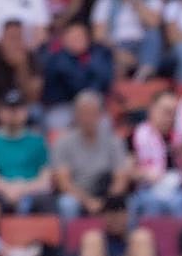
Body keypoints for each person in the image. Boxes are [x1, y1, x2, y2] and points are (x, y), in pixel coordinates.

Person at [51, 90, 132, 221]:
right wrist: (88, 201)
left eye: (92, 114)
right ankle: (69, 239)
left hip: (106, 192)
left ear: (100, 115)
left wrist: (106, 202)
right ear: (76, 115)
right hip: (77, 193)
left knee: (128, 204)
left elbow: (120, 178)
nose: (88, 119)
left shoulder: (113, 141)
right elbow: (63, 182)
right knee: (67, 204)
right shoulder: (63, 142)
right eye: (83, 114)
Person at [89, 0, 164, 81]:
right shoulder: (105, 1)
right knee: (103, 56)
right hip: (116, 45)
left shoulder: (152, 0)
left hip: (143, 46)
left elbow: (154, 23)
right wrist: (117, 53)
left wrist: (136, 1)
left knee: (153, 33)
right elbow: (99, 36)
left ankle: (145, 73)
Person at [129, 89, 182, 219]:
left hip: (176, 190)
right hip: (147, 189)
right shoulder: (136, 135)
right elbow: (127, 171)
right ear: (152, 110)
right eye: (166, 112)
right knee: (152, 203)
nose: (170, 117)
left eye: (174, 113)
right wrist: (144, 174)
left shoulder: (180, 138)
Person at [0, 88, 52, 215]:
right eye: (9, 109)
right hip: (2, 194)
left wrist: (23, 189)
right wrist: (8, 189)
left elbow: (45, 180)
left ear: (26, 111)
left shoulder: (37, 141)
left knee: (47, 202)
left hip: (33, 193)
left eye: (17, 108)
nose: (13, 113)